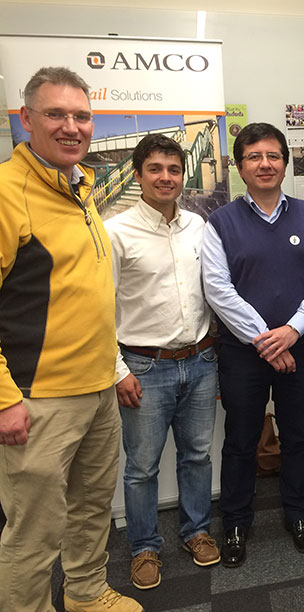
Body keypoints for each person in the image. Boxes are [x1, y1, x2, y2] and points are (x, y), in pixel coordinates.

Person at [0, 67, 142, 612]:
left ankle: (85, 595)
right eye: (56, 114)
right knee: (34, 533)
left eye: (81, 116)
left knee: (90, 508)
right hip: (37, 401)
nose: (71, 126)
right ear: (26, 119)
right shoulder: (10, 193)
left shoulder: (80, 186)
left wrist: (112, 369)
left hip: (97, 388)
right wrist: (6, 398)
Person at [202, 123, 304, 565]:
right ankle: (236, 523)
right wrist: (267, 341)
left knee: (297, 435)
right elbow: (218, 290)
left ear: (284, 162)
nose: (265, 164)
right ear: (240, 166)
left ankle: (298, 514)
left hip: (301, 346)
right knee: (241, 439)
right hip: (244, 353)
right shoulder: (219, 223)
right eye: (254, 157)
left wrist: (292, 332)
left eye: (273, 156)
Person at [105, 134, 220, 591]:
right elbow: (101, 309)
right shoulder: (117, 233)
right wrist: (118, 370)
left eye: (174, 169)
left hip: (200, 358)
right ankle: (144, 547)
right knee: (142, 467)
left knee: (197, 455)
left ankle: (195, 531)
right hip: (143, 368)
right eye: (155, 169)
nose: (166, 177)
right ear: (138, 175)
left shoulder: (200, 226)